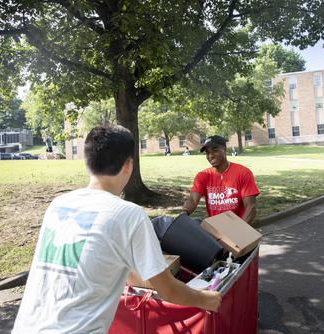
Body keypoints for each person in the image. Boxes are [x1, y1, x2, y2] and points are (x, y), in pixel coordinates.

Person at [12, 126, 220, 334]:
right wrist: (205, 299)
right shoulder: (129, 215)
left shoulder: (58, 204)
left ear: (87, 162)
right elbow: (167, 289)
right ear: (128, 165)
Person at [182, 135, 259, 224]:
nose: (211, 156)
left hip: (238, 226)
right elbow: (193, 199)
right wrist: (184, 212)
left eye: (215, 150)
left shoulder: (243, 173)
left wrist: (239, 231)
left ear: (224, 149)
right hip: (215, 229)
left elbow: (251, 207)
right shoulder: (203, 176)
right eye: (207, 153)